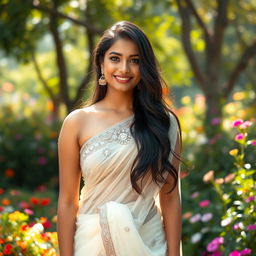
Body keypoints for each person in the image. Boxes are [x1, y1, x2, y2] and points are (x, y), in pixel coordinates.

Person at [57, 21, 183, 256]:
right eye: (115, 58)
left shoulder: (164, 124)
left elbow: (170, 196)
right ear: (101, 64)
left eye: (135, 60)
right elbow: (66, 202)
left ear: (145, 67)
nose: (124, 68)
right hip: (92, 244)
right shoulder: (77, 122)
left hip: (149, 243)